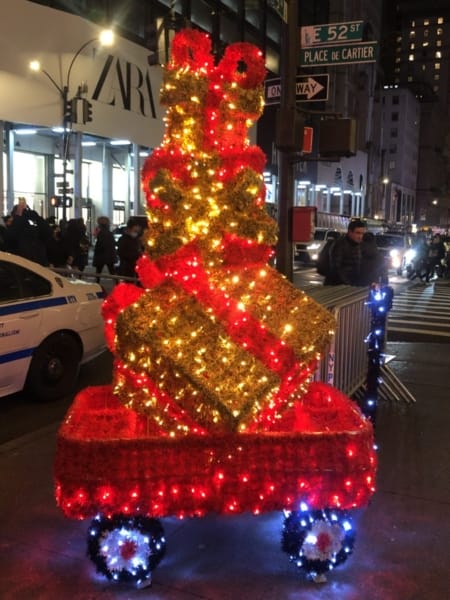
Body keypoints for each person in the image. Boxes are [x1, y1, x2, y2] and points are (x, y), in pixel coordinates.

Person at [324, 218, 366, 286]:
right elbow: (336, 268)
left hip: (350, 286)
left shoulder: (358, 245)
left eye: (362, 233)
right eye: (358, 233)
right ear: (350, 232)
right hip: (337, 287)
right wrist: (348, 284)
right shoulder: (340, 244)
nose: (360, 236)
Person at [92, 216, 117, 283]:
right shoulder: (109, 233)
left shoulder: (101, 232)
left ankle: (97, 284)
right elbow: (112, 244)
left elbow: (100, 244)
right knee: (112, 271)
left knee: (98, 271)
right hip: (109, 255)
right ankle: (117, 284)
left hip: (101, 255)